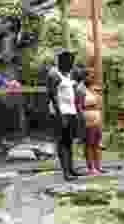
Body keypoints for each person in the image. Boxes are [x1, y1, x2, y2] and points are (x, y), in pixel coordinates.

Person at [47, 49, 81, 181]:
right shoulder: (54, 74)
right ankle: (66, 172)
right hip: (60, 113)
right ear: (62, 60)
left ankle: (71, 169)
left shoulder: (67, 75)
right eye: (70, 61)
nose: (72, 63)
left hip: (70, 111)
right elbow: (52, 95)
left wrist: (75, 112)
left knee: (69, 142)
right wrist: (60, 114)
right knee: (62, 143)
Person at [81, 72, 105, 176]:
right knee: (89, 144)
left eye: (92, 76)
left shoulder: (95, 90)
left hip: (97, 118)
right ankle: (90, 168)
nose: (91, 78)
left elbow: (99, 104)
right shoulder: (81, 90)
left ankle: (98, 166)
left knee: (97, 143)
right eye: (89, 76)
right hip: (88, 119)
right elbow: (80, 104)